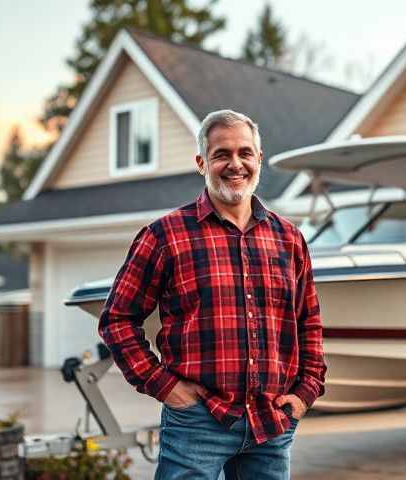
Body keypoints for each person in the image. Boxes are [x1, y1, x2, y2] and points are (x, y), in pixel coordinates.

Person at [98, 109, 326, 480]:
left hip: (271, 424)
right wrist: (165, 386)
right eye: (222, 154)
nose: (235, 164)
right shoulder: (164, 236)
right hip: (197, 424)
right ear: (202, 162)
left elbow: (308, 322)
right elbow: (117, 320)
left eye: (245, 153)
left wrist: (305, 392)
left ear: (259, 160)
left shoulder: (289, 239)